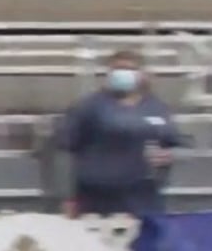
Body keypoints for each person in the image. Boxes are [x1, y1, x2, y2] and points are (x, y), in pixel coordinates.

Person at [57, 49, 188, 216]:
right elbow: (64, 149)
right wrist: (67, 196)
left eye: (130, 69)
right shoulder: (88, 107)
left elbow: (177, 142)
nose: (123, 74)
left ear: (142, 74)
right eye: (117, 69)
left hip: (144, 196)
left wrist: (171, 155)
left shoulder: (157, 108)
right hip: (96, 196)